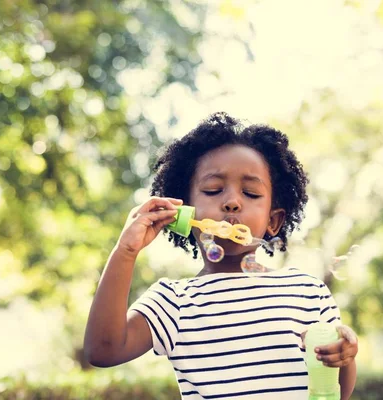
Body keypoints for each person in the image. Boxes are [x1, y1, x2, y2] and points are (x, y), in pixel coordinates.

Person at [84, 112, 358, 399]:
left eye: (251, 193)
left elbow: (339, 391)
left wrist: (345, 356)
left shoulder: (307, 291)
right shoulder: (173, 302)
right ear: (184, 213)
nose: (231, 202)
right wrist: (125, 252)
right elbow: (103, 350)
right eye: (213, 190)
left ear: (273, 221)